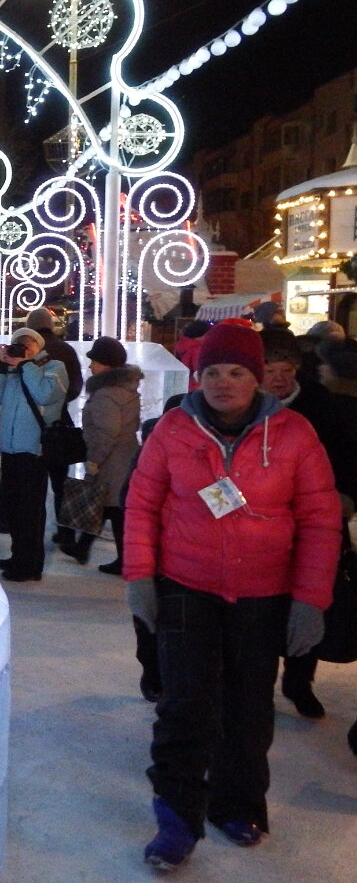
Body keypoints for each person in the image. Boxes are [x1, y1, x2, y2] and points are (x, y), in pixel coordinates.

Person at [124, 322, 341, 870]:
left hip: (263, 594)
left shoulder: (293, 434)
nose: (224, 382)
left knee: (248, 708)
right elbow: (142, 504)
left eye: (237, 372)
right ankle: (176, 817)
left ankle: (238, 804)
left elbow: (320, 520)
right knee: (185, 706)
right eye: (213, 372)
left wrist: (310, 599)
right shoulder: (174, 429)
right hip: (186, 587)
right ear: (199, 377)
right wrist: (141, 576)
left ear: (257, 378)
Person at [260, 330, 349, 720]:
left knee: (310, 601)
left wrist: (343, 500)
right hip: (263, 526)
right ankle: (258, 684)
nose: (280, 378)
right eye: (270, 369)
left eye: (287, 369)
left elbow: (345, 457)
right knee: (263, 610)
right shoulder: (246, 407)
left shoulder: (321, 404)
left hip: (313, 522)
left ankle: (299, 681)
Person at [0, 326, 69, 582]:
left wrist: (27, 365)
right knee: (13, 507)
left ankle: (30, 565)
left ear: (39, 347)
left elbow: (46, 394)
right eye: (19, 344)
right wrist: (0, 366)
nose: (23, 349)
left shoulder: (54, 367)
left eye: (29, 345)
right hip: (10, 448)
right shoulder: (10, 369)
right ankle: (18, 555)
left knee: (30, 510)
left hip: (35, 449)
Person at [62, 337, 142, 569]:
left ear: (107, 364)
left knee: (111, 507)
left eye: (95, 362)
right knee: (107, 505)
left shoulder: (106, 394)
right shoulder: (125, 388)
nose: (91, 366)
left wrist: (94, 460)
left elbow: (106, 433)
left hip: (110, 460)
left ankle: (122, 559)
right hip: (124, 456)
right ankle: (84, 548)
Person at [25, 307, 83, 549]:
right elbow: (76, 386)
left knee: (33, 484)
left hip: (31, 422)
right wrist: (60, 399)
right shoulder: (66, 350)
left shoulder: (29, 349)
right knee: (61, 482)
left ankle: (31, 532)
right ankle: (65, 532)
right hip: (60, 422)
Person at [173, 320, 211, 390]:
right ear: (201, 334)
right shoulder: (197, 349)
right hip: (196, 388)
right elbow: (199, 372)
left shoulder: (183, 346)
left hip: (184, 386)